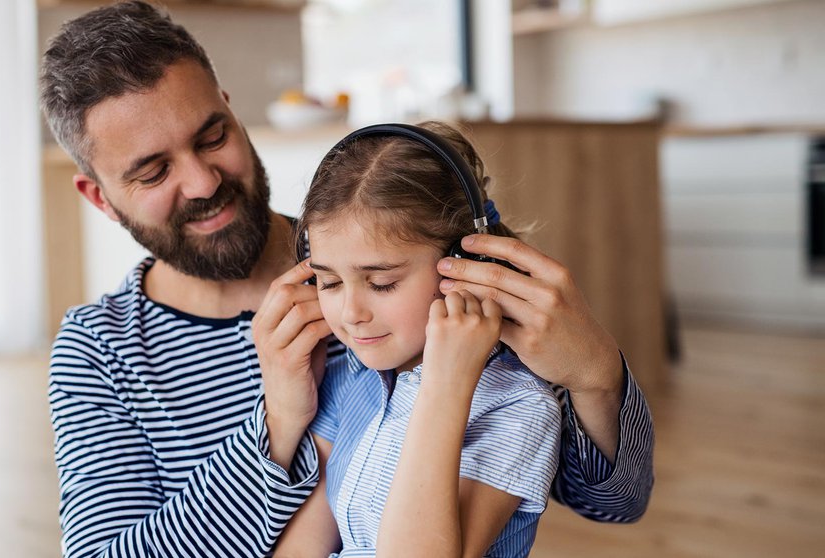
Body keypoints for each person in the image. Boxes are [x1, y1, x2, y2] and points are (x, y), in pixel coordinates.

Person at [39, 2, 653, 557]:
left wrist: (597, 375)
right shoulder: (99, 349)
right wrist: (277, 424)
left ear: (231, 107)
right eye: (151, 173)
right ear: (101, 198)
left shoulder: (412, 280)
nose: (202, 182)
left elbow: (615, 503)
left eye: (212, 136)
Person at [273, 120, 562, 557]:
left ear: (467, 263)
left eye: (382, 283)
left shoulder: (518, 406)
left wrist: (445, 384)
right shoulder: (357, 373)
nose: (351, 315)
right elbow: (304, 541)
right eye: (329, 283)